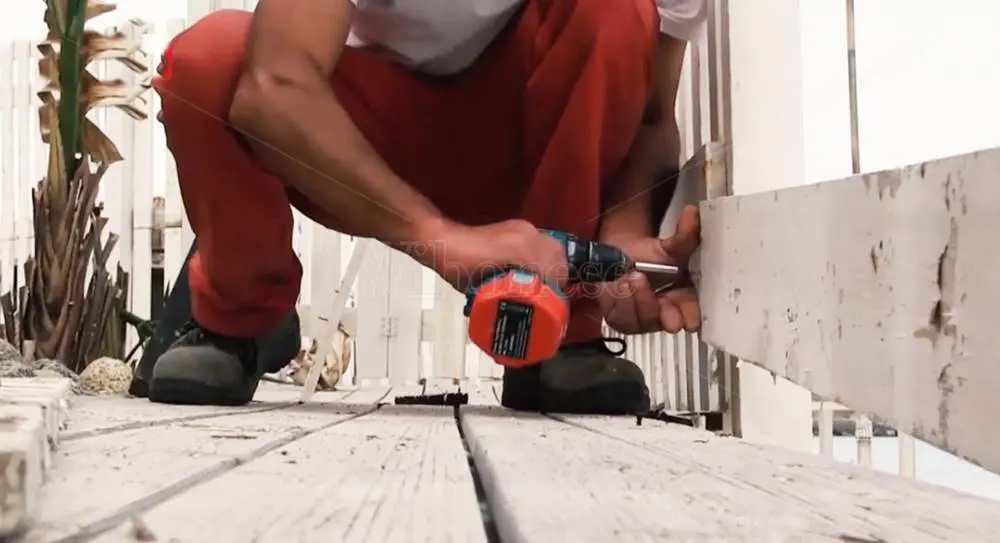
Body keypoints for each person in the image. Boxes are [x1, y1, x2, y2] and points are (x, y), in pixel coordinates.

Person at [149, 0, 706, 414]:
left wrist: (624, 235)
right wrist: (442, 239)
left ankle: (560, 332)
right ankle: (244, 314)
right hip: (367, 149)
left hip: (533, 146)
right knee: (208, 61)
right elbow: (275, 85)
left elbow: (651, 117)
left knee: (612, 9)